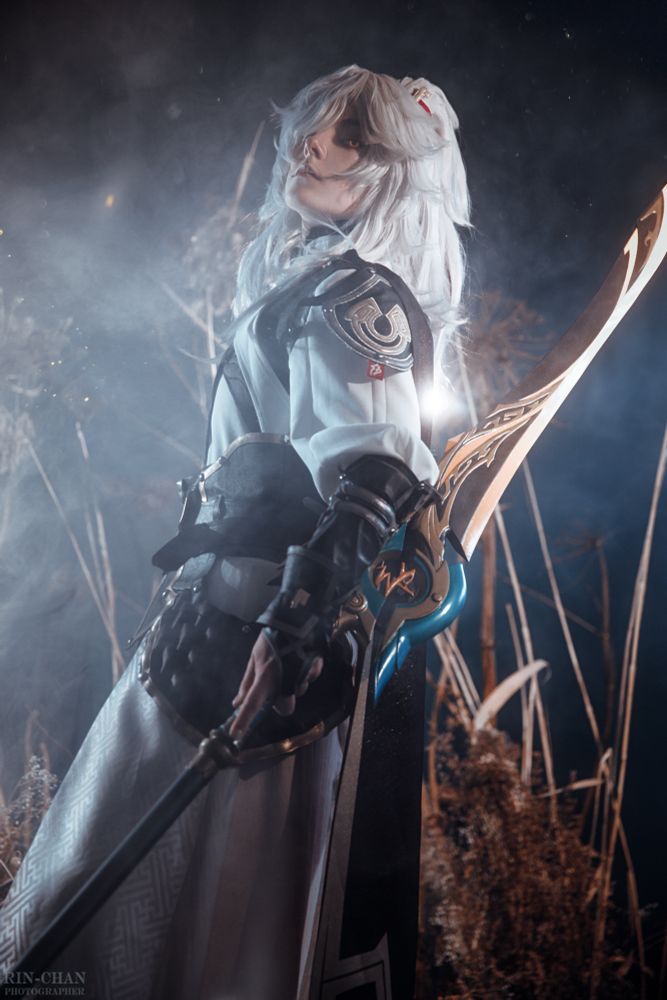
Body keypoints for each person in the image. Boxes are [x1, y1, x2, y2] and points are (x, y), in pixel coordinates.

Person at [0, 64, 470, 999]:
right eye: (312, 124)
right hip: (221, 626)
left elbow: (375, 473)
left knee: (216, 918)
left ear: (389, 172)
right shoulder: (313, 288)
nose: (312, 145)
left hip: (262, 649)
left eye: (348, 137)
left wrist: (293, 626)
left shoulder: (354, 300)